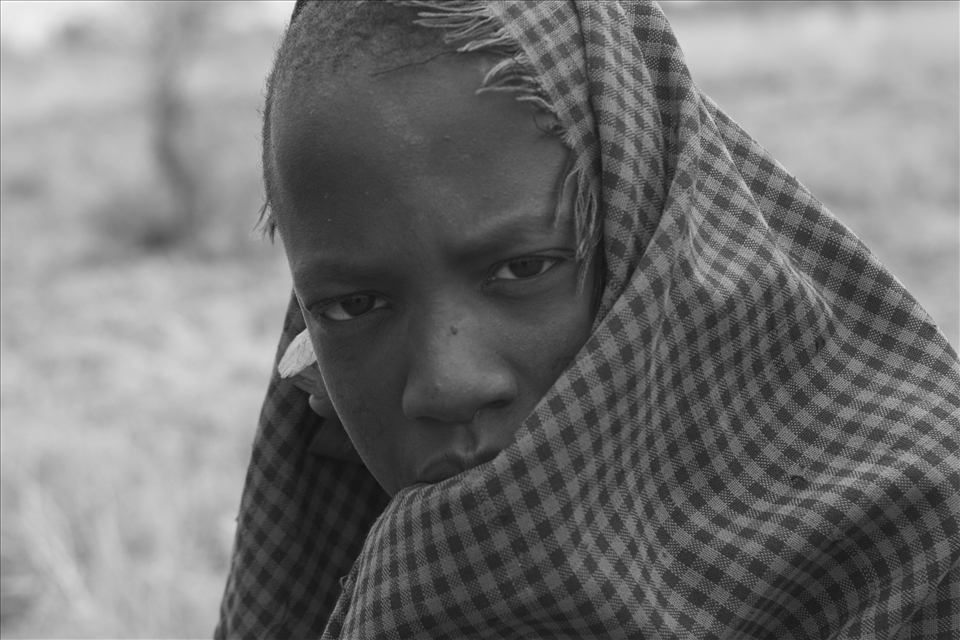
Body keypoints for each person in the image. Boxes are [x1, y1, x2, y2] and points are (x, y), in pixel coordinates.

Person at [216, 1, 960, 637]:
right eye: (354, 306)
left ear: (651, 246)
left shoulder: (916, 545)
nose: (448, 384)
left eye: (523, 269)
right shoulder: (358, 536)